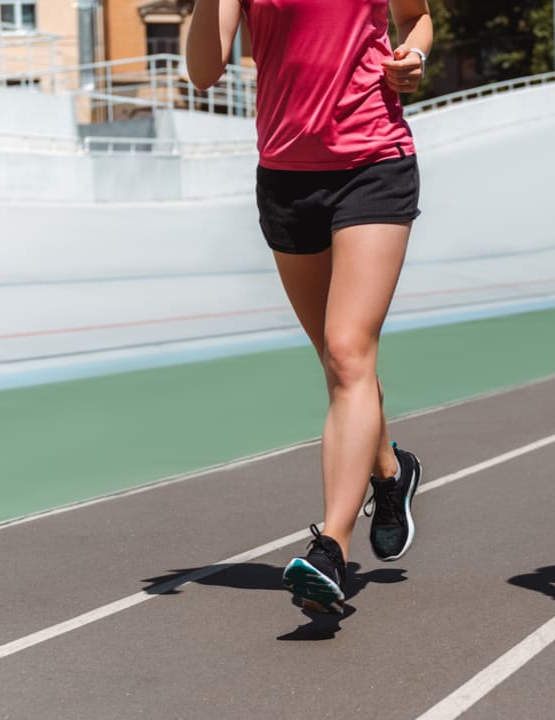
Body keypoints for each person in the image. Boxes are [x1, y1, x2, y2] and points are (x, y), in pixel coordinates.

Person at [188, 0, 433, 613]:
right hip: (286, 177)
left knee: (349, 350)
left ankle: (331, 549)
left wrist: (415, 56)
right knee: (338, 358)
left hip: (374, 164)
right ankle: (389, 471)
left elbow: (417, 18)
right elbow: (202, 72)